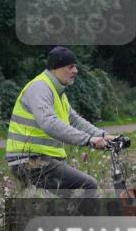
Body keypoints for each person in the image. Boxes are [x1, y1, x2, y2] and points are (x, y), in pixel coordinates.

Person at [6, 47, 118, 196]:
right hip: (30, 161)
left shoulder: (57, 92)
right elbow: (48, 122)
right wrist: (89, 140)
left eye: (75, 66)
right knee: (88, 186)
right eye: (70, 67)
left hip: (42, 160)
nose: (75, 71)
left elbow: (75, 120)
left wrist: (103, 135)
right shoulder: (40, 87)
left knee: (71, 202)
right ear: (55, 68)